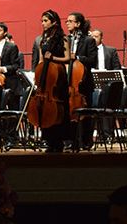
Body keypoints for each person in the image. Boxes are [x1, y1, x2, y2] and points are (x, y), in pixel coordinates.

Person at [35, 10, 69, 153]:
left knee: (58, 108)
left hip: (58, 77)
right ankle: (48, 140)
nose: (43, 23)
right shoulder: (42, 39)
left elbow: (67, 58)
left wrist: (53, 58)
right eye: (42, 21)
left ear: (54, 21)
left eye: (45, 21)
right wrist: (37, 75)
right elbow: (41, 59)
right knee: (44, 108)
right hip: (45, 77)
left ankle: (59, 141)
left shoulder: (63, 39)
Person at [65, 12, 98, 150]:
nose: (67, 23)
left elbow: (92, 60)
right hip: (69, 82)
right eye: (67, 21)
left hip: (83, 83)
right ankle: (71, 140)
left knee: (85, 114)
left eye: (70, 21)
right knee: (68, 113)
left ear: (78, 24)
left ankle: (86, 141)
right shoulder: (66, 40)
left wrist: (77, 57)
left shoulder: (88, 40)